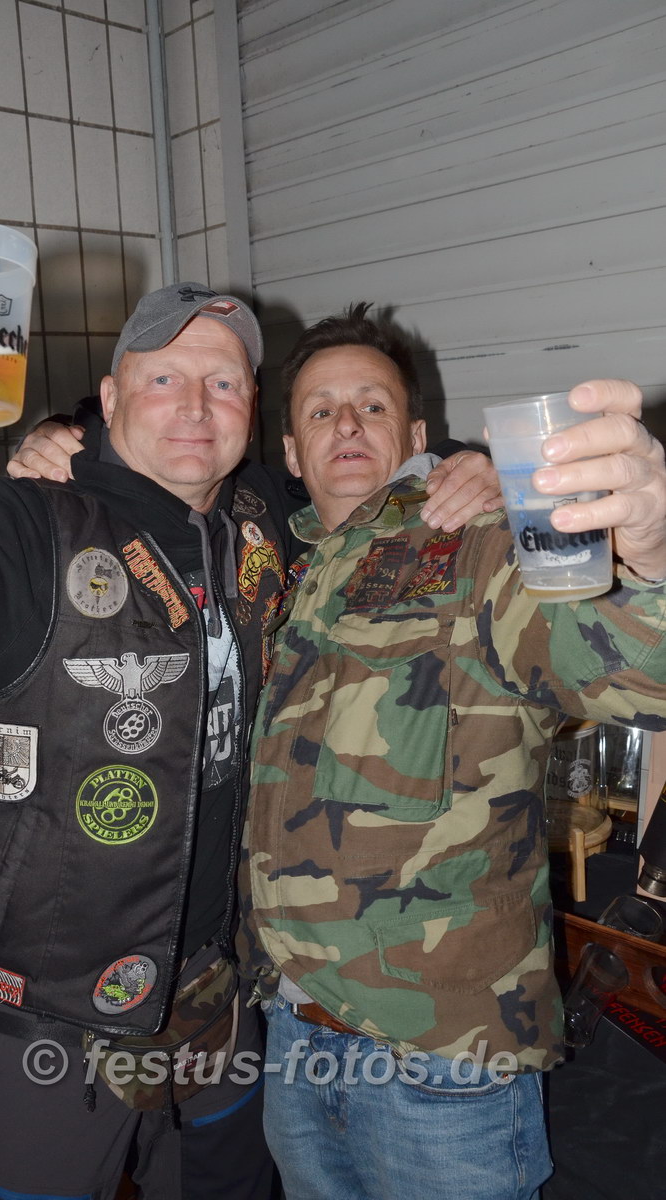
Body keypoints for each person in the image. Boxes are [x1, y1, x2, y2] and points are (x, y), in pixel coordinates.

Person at [0, 271, 496, 1200]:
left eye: (223, 382)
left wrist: (464, 464)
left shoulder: (262, 522)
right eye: (163, 379)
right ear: (110, 399)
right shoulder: (23, 520)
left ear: (253, 415)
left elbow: (358, 469)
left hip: (217, 992)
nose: (196, 406)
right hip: (50, 1015)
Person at [239, 306, 666, 1200]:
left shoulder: (479, 549)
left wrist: (651, 555)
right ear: (289, 453)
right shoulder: (281, 567)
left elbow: (635, 670)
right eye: (320, 410)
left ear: (415, 439)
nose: (345, 424)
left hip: (440, 1065)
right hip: (295, 1034)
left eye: (372, 406)